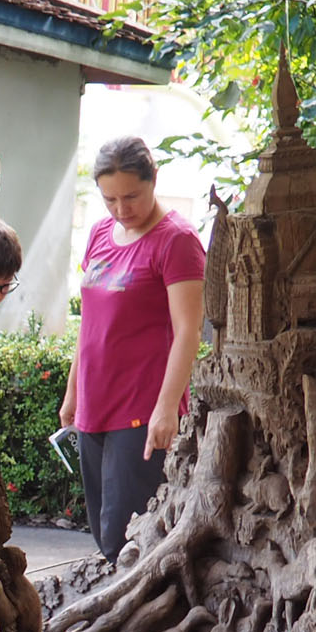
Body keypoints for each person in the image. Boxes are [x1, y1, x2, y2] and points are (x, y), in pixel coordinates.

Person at [60, 136, 204, 560]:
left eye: (131, 196)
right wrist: (73, 391)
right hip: (94, 402)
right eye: (110, 199)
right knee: (102, 529)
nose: (121, 209)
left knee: (127, 536)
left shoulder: (176, 240)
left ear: (153, 178)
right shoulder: (99, 234)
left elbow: (188, 330)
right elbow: (90, 323)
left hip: (141, 408)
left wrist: (167, 408)